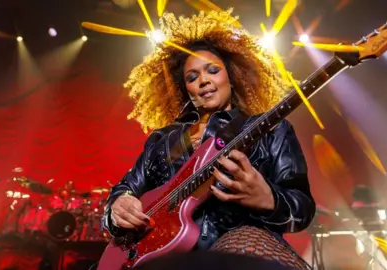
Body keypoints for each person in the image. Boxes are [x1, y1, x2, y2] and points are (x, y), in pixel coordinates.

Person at [101, 9, 316, 270]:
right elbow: (125, 190)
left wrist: (270, 200)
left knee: (244, 243)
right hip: (157, 258)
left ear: (232, 78)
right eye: (192, 77)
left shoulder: (270, 130)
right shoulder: (164, 141)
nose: (203, 80)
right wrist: (117, 207)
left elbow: (302, 208)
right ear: (185, 90)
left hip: (238, 254)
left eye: (213, 70)